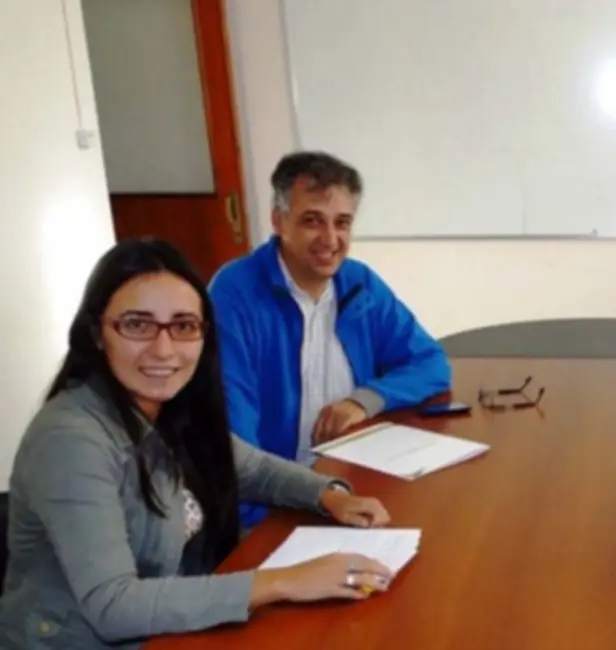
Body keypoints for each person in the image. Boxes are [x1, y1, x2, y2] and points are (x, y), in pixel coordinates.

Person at [0, 239, 398, 649]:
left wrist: (329, 495)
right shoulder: (71, 440)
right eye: (137, 325)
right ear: (98, 334)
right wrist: (285, 582)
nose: (164, 349)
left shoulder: (169, 407)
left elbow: (251, 468)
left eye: (184, 326)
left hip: (166, 631)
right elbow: (113, 605)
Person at [208, 151, 450, 476]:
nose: (330, 239)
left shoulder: (359, 283)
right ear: (278, 222)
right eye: (312, 220)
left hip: (355, 469)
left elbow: (431, 363)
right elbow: (234, 438)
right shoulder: (235, 293)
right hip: (276, 486)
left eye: (342, 223)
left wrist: (363, 401)